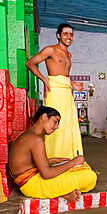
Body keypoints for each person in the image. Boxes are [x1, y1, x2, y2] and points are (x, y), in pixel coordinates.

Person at [8, 106, 97, 202]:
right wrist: (73, 162)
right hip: (32, 186)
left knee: (80, 167)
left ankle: (63, 190)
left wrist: (50, 161)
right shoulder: (36, 140)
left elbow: (27, 164)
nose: (57, 127)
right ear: (44, 117)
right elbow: (46, 174)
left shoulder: (29, 134)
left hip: (30, 181)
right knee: (90, 177)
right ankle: (64, 193)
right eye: (55, 121)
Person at [26, 23, 84, 159]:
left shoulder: (69, 55)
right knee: (55, 123)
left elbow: (64, 76)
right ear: (58, 35)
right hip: (55, 91)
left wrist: (73, 83)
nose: (69, 37)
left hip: (66, 91)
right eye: (65, 34)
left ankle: (68, 157)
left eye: (71, 35)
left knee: (68, 124)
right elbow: (30, 64)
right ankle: (53, 157)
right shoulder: (50, 50)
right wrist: (44, 80)